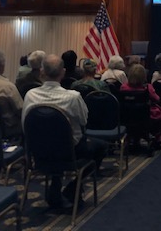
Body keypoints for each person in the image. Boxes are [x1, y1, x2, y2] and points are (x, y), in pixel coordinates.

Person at [22, 54, 108, 208]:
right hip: (70, 152)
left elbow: (25, 125)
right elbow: (84, 121)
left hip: (39, 152)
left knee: (55, 140)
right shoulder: (73, 97)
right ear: (62, 72)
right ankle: (73, 188)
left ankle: (55, 187)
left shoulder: (30, 95)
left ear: (42, 72)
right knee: (101, 147)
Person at [120, 64, 161, 149]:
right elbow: (157, 99)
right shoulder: (147, 88)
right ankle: (158, 137)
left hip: (127, 119)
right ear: (143, 76)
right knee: (159, 113)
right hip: (144, 119)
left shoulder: (123, 88)